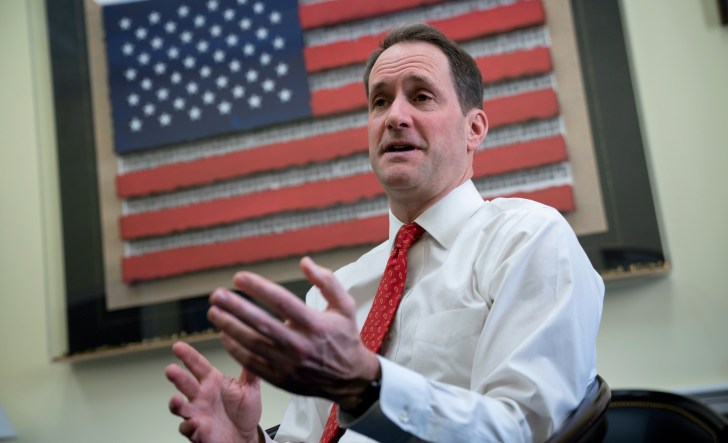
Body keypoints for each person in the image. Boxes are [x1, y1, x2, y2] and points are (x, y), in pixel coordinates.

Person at [165, 23, 604, 443]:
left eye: (421, 96)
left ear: (474, 129)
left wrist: (368, 386)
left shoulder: (526, 239)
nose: (395, 115)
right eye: (379, 102)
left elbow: (526, 431)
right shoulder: (331, 296)